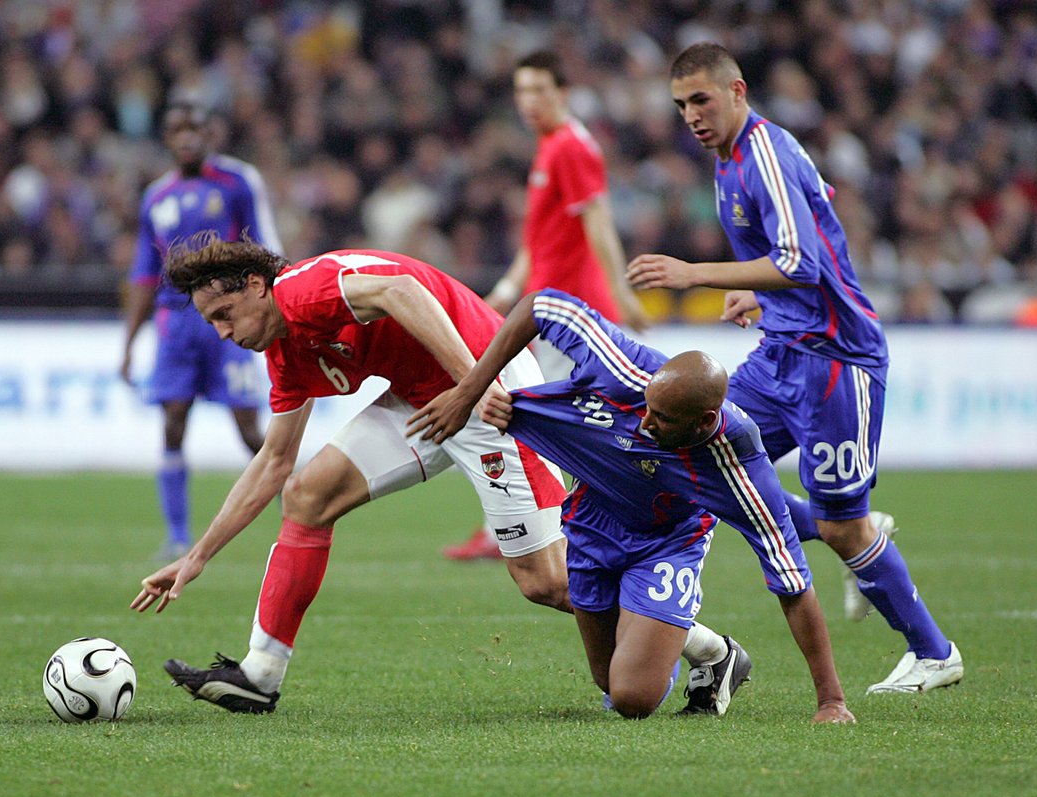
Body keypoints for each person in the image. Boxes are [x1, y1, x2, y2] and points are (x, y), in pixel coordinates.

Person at [129, 235, 750, 718]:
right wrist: (197, 557)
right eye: (212, 323)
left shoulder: (304, 291)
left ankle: (714, 652)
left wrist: (473, 387)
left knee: (546, 582)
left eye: (226, 313)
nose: (224, 333)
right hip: (422, 399)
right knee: (307, 496)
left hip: (489, 390)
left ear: (257, 286)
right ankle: (260, 675)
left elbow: (404, 289)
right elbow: (273, 461)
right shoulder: (284, 351)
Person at [627, 42, 962, 694]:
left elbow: (801, 261)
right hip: (780, 351)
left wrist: (695, 273)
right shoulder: (729, 161)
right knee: (707, 464)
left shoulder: (765, 153)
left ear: (737, 91)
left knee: (839, 523)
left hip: (836, 361)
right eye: (681, 105)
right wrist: (761, 295)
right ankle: (856, 534)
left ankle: (933, 651)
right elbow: (817, 231)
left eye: (701, 100)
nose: (691, 115)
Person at [408, 290, 853, 723]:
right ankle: (710, 649)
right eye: (648, 408)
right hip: (592, 521)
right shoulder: (624, 366)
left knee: (631, 699)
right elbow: (542, 305)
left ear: (704, 422)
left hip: (667, 541)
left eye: (662, 419)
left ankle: (701, 651)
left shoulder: (737, 467)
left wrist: (831, 700)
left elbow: (794, 584)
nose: (645, 422)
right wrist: (470, 391)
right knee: (607, 679)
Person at [445, 49, 649, 561]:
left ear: (562, 92)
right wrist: (505, 292)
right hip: (545, 311)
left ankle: (536, 529)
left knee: (537, 417)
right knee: (542, 415)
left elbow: (598, 223)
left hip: (571, 312)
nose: (528, 101)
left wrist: (622, 292)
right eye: (521, 91)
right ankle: (544, 524)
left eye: (538, 89)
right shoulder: (550, 146)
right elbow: (538, 241)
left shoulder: (573, 148)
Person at [119, 102, 283, 560]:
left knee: (249, 428)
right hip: (175, 326)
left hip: (230, 317)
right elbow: (144, 273)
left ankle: (297, 513)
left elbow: (266, 245)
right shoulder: (156, 196)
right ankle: (176, 535)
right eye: (177, 129)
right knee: (173, 422)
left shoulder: (237, 181)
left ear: (210, 134)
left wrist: (273, 308)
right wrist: (129, 343)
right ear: (166, 138)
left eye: (195, 128)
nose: (187, 136)